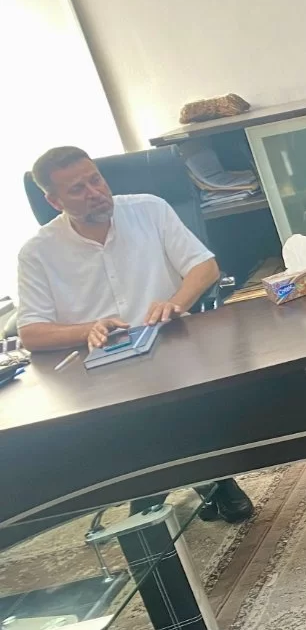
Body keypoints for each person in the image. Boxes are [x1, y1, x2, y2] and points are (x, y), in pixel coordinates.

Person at [16, 146, 255, 523]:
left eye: (95, 179)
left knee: (174, 402)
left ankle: (199, 478)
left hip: (170, 346)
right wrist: (87, 329)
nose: (95, 192)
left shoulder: (149, 209)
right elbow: (31, 333)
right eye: (78, 189)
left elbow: (205, 268)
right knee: (123, 425)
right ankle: (161, 484)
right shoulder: (37, 253)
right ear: (54, 201)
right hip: (101, 367)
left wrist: (174, 303)